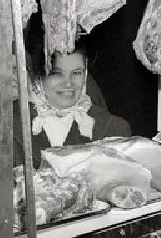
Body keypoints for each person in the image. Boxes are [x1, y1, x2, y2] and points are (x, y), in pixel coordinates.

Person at [14, 35, 131, 167]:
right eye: (57, 73)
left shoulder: (113, 130)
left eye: (76, 73)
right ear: (39, 77)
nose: (68, 83)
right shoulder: (11, 125)